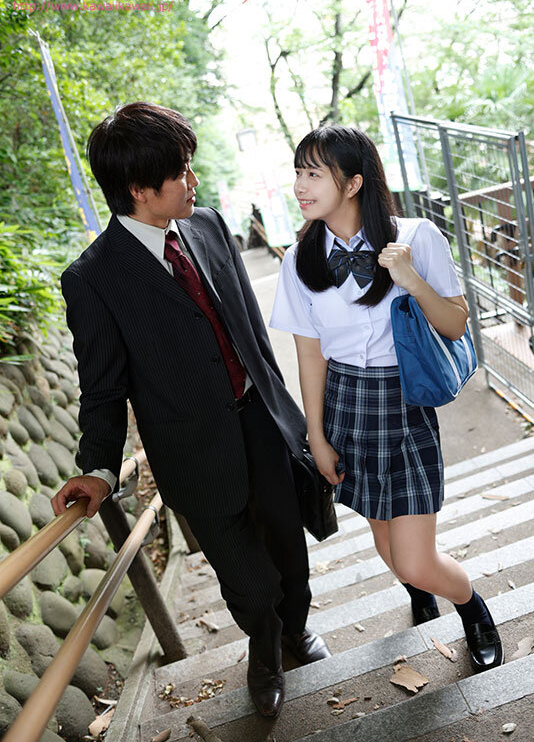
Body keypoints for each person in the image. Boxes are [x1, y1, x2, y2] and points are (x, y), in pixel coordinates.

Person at [51, 102, 331, 719]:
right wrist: (98, 469)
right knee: (248, 579)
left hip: (261, 420)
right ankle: (265, 649)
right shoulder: (93, 279)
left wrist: (293, 418)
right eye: (180, 172)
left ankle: (295, 628)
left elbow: (251, 332)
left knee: (290, 547)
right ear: (138, 188)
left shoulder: (207, 226)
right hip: (192, 453)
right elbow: (102, 389)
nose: (193, 181)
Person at [269, 125, 503, 673]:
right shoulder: (299, 260)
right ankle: (418, 592)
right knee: (387, 545)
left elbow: (456, 325)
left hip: (404, 401)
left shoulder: (417, 236)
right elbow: (310, 356)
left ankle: (472, 607)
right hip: (346, 407)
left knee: (415, 558)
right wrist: (316, 437)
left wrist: (411, 279)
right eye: (298, 173)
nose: (300, 186)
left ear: (353, 183)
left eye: (313, 174)